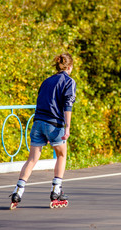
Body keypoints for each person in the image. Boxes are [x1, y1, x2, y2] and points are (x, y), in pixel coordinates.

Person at [10, 53, 76, 209]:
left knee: (32, 159)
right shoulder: (69, 81)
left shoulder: (46, 81)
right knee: (61, 154)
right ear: (69, 67)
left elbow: (40, 101)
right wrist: (67, 127)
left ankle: (17, 192)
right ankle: (56, 190)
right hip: (54, 123)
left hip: (38, 121)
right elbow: (68, 105)